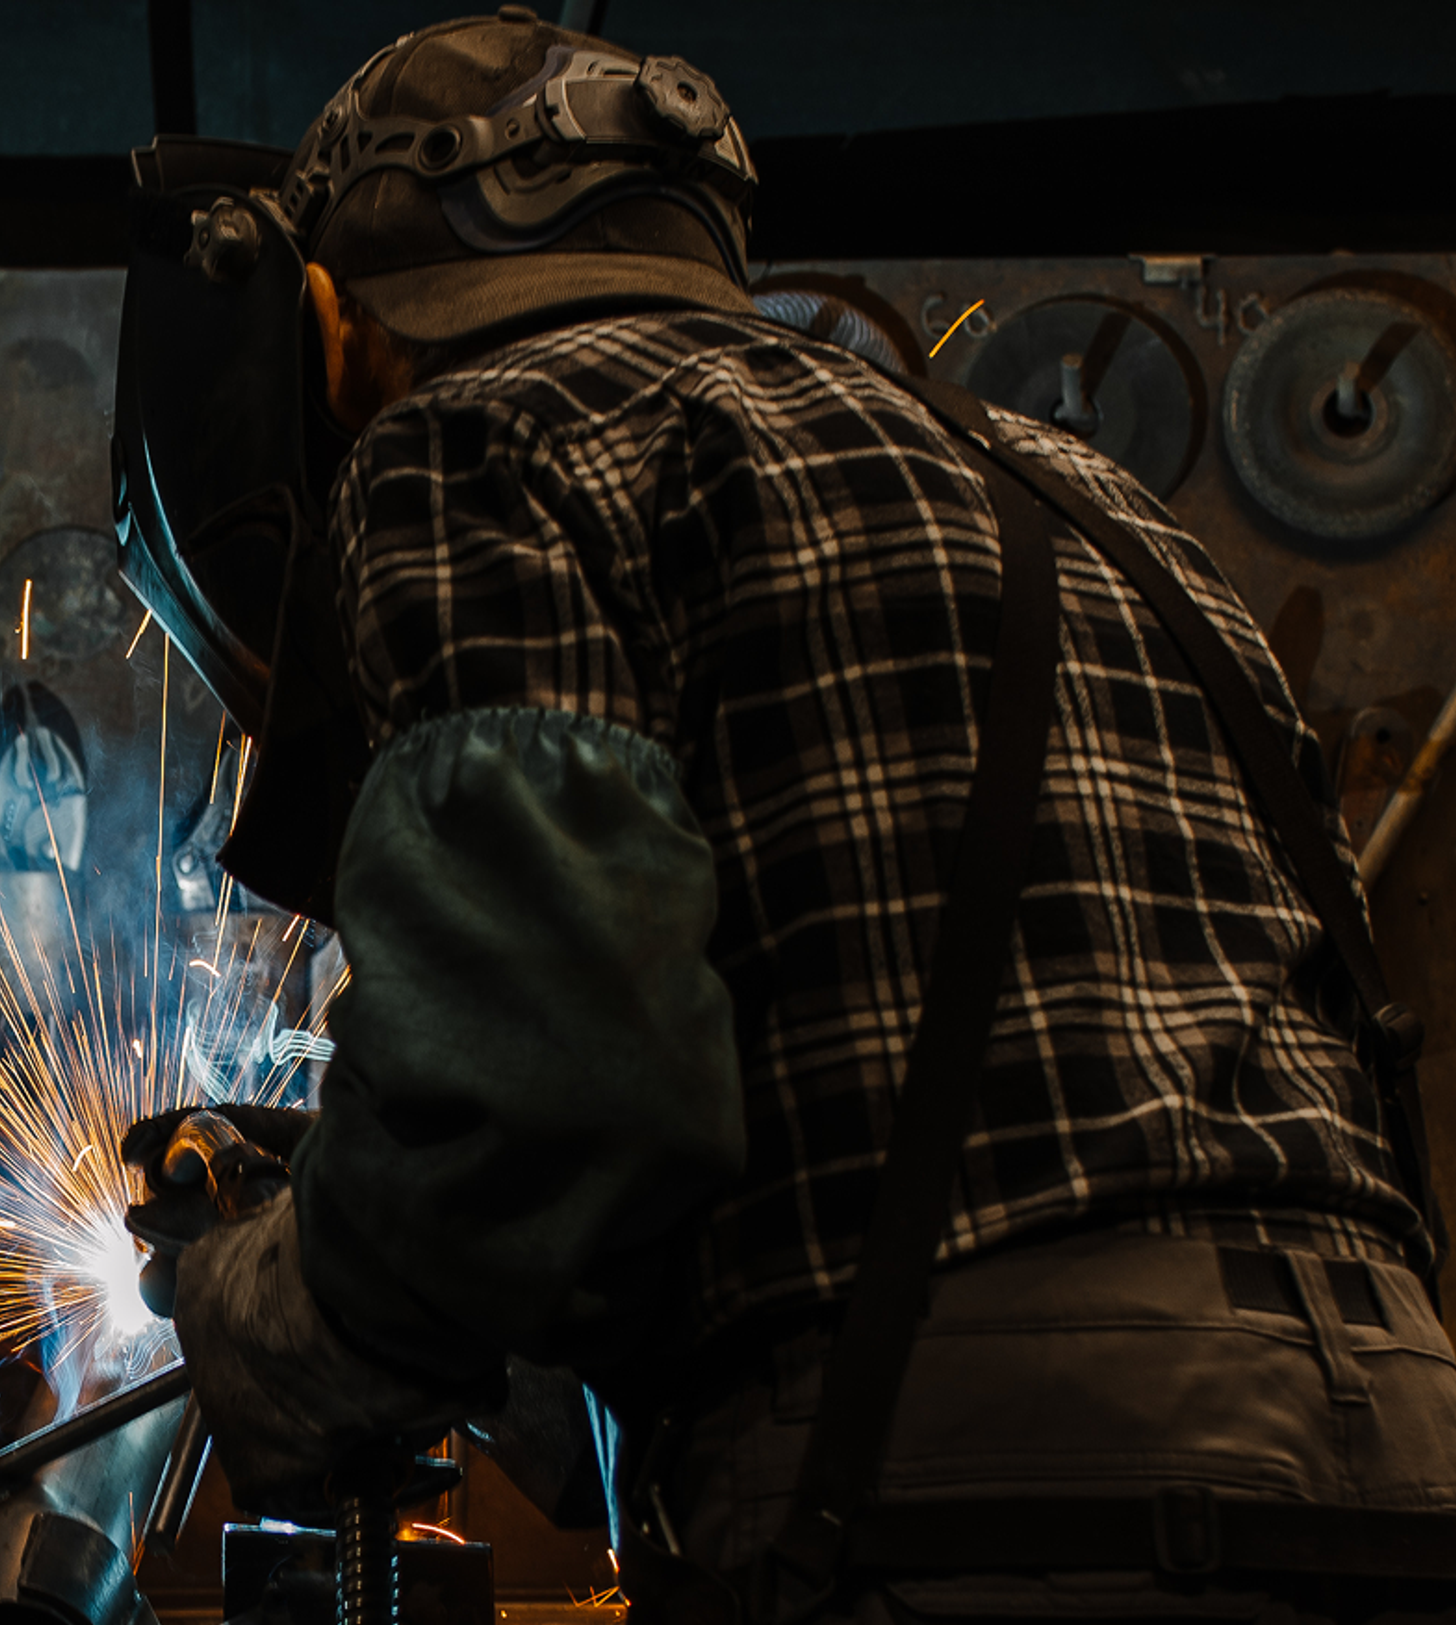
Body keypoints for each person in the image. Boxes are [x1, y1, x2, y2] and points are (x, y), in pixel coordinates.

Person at [117, 10, 1456, 1622]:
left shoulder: (479, 436)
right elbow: (853, 1117)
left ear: (328, 321)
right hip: (1399, 1460)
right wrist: (365, 1180)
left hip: (973, 1508)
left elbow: (554, 1101)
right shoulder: (1075, 489)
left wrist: (275, 1308)